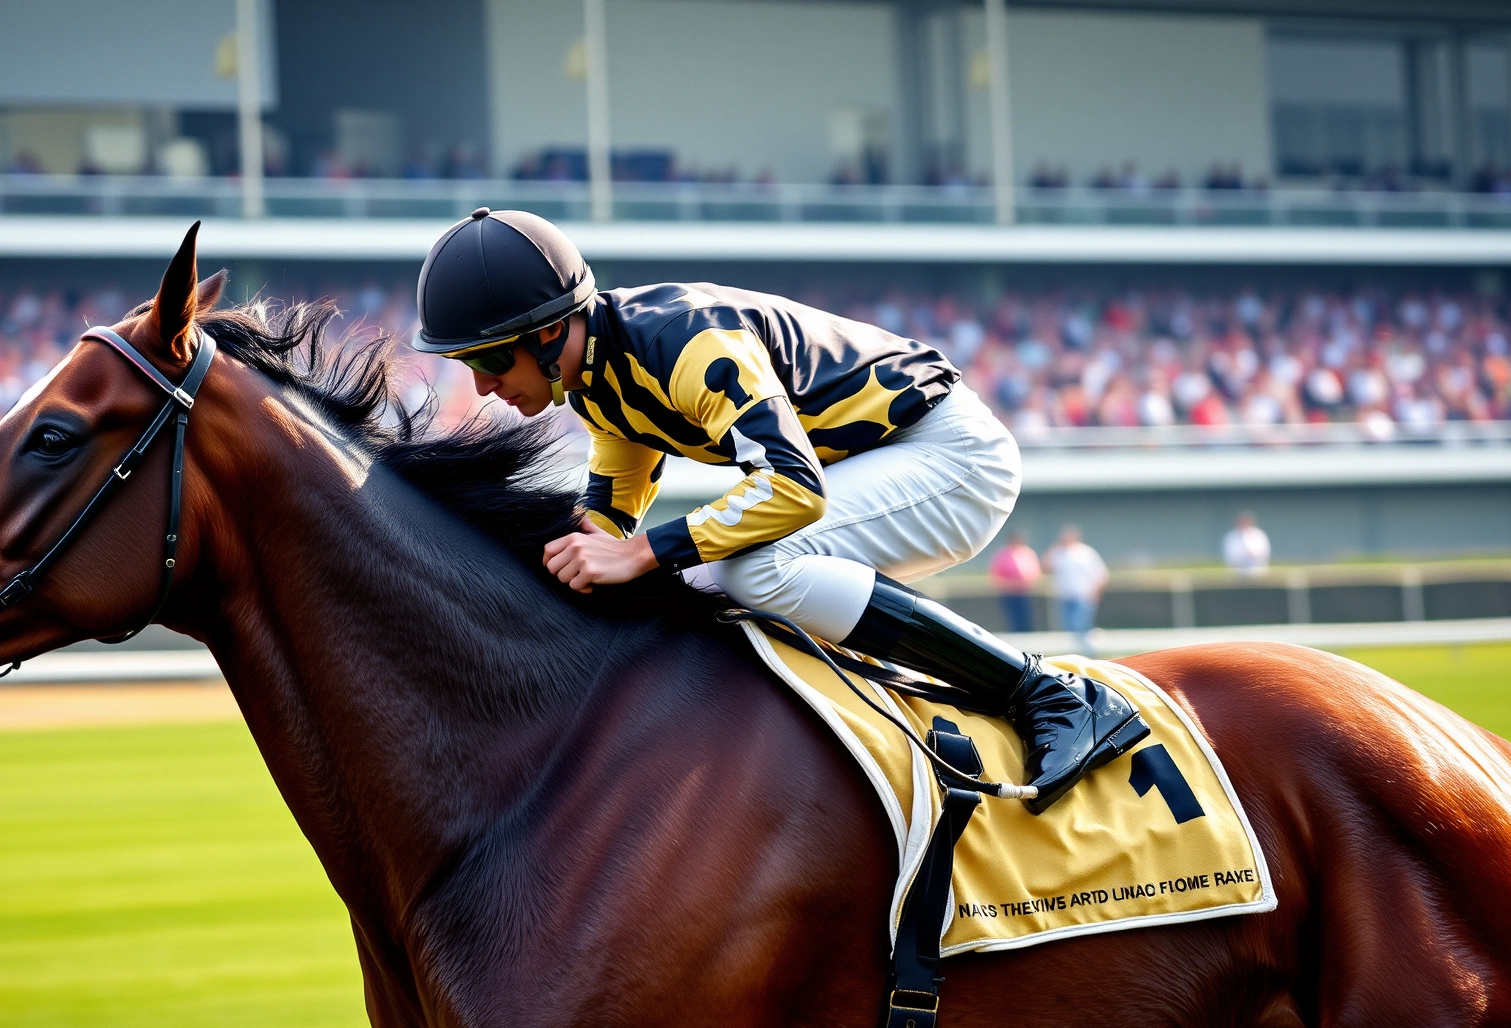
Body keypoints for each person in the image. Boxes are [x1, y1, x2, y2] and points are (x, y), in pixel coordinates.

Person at [410, 208, 1145, 812]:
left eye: (488, 361)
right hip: (877, 462)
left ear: (546, 334)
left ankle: (1048, 693)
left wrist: (641, 553)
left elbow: (793, 487)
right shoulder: (601, 382)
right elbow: (606, 521)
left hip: (951, 458)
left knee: (754, 566)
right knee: (695, 583)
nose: (479, 389)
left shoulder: (682, 344)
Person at [1045, 526, 1107, 654]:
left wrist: (1096, 594)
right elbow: (1046, 566)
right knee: (1067, 629)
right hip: (1064, 597)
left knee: (1080, 627)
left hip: (1082, 597)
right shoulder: (1059, 552)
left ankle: (1091, 653)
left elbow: (1100, 575)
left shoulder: (1086, 552)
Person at [988, 530, 1041, 633]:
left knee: (1026, 618)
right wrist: (1012, 584)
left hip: (1025, 592)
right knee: (1013, 619)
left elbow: (1035, 572)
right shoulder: (1002, 555)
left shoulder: (1027, 553)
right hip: (1009, 593)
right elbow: (996, 576)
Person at [1223, 512, 1271, 577]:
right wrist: (1243, 556)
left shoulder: (1259, 535)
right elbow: (1229, 556)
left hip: (1258, 573)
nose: (1243, 524)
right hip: (1237, 574)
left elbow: (1264, 552)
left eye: (1245, 522)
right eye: (1241, 522)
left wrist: (1253, 555)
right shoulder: (1231, 537)